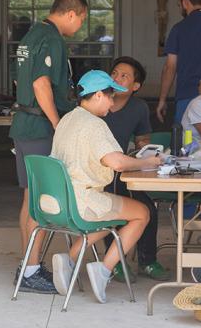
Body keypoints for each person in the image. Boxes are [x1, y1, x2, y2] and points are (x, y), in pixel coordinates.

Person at [50, 70, 161, 304]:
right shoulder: (94, 124)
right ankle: (104, 269)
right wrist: (146, 162)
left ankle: (70, 259)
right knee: (142, 213)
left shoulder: (67, 119)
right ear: (99, 95)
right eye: (111, 97)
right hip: (83, 200)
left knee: (112, 217)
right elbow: (117, 162)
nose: (112, 103)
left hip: (58, 200)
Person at [9, 0, 87, 294]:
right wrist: (58, 124)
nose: (79, 26)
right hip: (40, 126)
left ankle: (28, 263)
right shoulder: (52, 38)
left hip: (24, 124)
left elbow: (21, 81)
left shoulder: (31, 35)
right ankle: (29, 271)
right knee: (41, 201)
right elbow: (40, 83)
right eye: (80, 19)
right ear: (71, 13)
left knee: (30, 198)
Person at [100, 56, 169, 282]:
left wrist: (144, 148)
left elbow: (143, 138)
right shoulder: (98, 102)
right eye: (115, 73)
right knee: (111, 211)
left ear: (135, 86)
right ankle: (116, 262)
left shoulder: (138, 107)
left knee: (147, 207)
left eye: (124, 76)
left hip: (124, 170)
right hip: (98, 173)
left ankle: (147, 260)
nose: (117, 78)